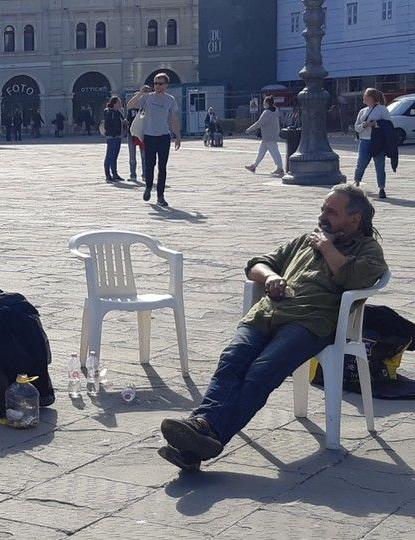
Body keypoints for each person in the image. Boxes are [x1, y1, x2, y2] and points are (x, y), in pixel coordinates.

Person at [158, 185, 388, 472]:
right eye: (322, 209)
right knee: (232, 359)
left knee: (260, 371)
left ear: (354, 219)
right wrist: (270, 277)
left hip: (310, 322)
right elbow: (257, 264)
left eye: (331, 211)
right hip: (266, 314)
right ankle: (201, 432)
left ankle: (204, 433)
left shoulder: (368, 249)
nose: (322, 216)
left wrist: (327, 247)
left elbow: (354, 279)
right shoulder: (305, 240)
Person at [127, 73, 181, 207]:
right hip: (149, 136)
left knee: (162, 167)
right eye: (155, 83)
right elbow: (129, 105)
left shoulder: (170, 99)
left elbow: (174, 118)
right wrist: (140, 93)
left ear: (166, 85)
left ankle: (160, 196)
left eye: (160, 83)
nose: (157, 86)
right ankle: (148, 186)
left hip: (163, 136)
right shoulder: (147, 97)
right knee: (150, 165)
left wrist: (178, 136)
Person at [353, 87, 392, 199]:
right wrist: (364, 125)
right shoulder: (362, 111)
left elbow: (388, 125)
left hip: (378, 142)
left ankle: (381, 188)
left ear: (371, 97)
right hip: (364, 140)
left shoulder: (382, 109)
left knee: (380, 165)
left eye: (365, 95)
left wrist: (375, 124)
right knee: (361, 163)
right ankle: (356, 183)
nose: (363, 97)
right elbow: (356, 127)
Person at [244, 96, 284, 177]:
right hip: (270, 136)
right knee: (261, 152)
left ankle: (280, 168)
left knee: (274, 152)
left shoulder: (266, 113)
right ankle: (254, 166)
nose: (263, 104)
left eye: (264, 103)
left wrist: (249, 129)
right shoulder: (276, 110)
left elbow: (259, 123)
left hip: (269, 136)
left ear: (267, 103)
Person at [125, 87, 149, 182]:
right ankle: (133, 175)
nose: (137, 101)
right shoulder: (131, 109)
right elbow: (129, 105)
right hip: (131, 134)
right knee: (132, 156)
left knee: (144, 156)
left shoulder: (145, 107)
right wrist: (139, 95)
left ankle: (145, 175)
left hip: (142, 134)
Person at [103, 97, 125, 183]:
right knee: (110, 156)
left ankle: (115, 174)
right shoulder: (109, 113)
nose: (120, 104)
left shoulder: (117, 112)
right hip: (112, 137)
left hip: (117, 137)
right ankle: (108, 175)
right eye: (119, 102)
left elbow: (122, 120)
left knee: (114, 156)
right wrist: (113, 133)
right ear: (115, 103)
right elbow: (107, 125)